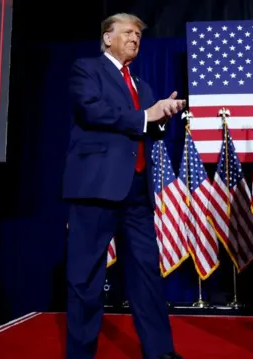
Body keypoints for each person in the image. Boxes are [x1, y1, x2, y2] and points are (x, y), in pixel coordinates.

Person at [62, 13, 186, 359]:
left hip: (136, 191)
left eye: (138, 35)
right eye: (128, 32)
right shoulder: (86, 70)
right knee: (86, 278)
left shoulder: (142, 85)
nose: (135, 39)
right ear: (107, 38)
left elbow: (145, 129)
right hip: (95, 188)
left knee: (147, 274)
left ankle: (161, 352)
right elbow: (92, 112)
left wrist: (164, 117)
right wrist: (148, 115)